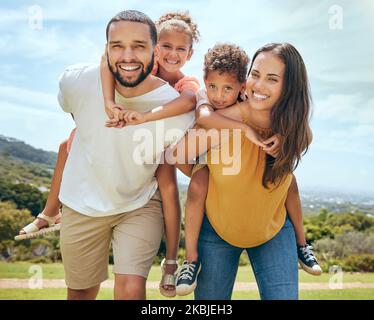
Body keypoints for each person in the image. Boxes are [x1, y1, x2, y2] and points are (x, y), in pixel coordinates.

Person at [58, 10, 194, 300]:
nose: (128, 56)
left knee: (131, 290)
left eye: (139, 46)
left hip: (138, 204)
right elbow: (76, 118)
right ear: (106, 48)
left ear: (153, 51)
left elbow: (184, 167)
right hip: (82, 202)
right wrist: (106, 104)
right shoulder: (76, 81)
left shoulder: (175, 106)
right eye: (117, 45)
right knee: (80, 292)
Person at [174, 43, 321, 296]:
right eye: (255, 74)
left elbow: (306, 136)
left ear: (289, 86)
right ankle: (190, 260)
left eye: (272, 79)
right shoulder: (227, 119)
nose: (259, 85)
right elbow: (178, 154)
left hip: (273, 231)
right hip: (217, 231)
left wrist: (287, 139)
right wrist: (206, 174)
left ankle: (302, 245)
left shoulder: (293, 127)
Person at [101, 11, 201, 298]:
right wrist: (109, 101)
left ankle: (171, 261)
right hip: (126, 139)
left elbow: (189, 100)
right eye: (166, 46)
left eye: (180, 49)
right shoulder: (143, 67)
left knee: (168, 187)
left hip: (156, 140)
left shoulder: (185, 82)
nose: (172, 54)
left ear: (190, 53)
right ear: (154, 45)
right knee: (70, 144)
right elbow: (105, 59)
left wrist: (145, 117)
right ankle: (53, 210)